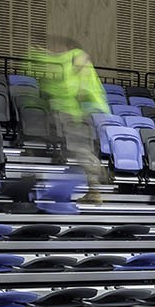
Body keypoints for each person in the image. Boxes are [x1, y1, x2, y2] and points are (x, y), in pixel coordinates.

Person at [29, 39, 109, 206]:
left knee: (74, 149)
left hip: (66, 110)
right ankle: (93, 192)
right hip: (83, 112)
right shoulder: (84, 62)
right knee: (81, 148)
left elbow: (55, 64)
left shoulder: (72, 57)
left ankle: (97, 170)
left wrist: (38, 53)